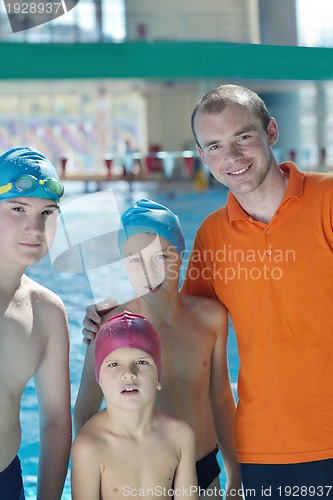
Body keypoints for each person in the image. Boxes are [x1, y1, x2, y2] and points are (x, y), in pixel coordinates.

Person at [181, 84, 333, 497]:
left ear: (271, 132)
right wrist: (114, 320)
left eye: (242, 137)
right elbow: (186, 329)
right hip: (263, 448)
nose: (231, 157)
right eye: (214, 145)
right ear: (202, 155)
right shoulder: (211, 235)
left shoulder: (327, 201)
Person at [75, 198, 242, 499]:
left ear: (180, 256)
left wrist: (235, 474)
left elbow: (220, 399)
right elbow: (85, 411)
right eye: (134, 260)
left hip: (204, 471)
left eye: (161, 257)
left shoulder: (211, 318)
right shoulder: (109, 326)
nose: (149, 271)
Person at [0, 147, 71, 499]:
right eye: (17, 209)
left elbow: (56, 423)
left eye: (47, 212)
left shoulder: (47, 311)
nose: (35, 227)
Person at [71, 310, 199, 500]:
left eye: (141, 362)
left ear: (158, 375)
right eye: (114, 364)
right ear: (99, 380)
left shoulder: (180, 435)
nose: (129, 373)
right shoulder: (90, 446)